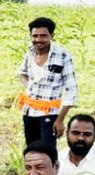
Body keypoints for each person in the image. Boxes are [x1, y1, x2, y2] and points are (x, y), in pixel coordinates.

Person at [17, 17, 78, 147]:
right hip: (29, 112)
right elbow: (21, 72)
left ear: (52, 35)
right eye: (35, 36)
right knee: (32, 150)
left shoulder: (62, 55)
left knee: (47, 153)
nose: (38, 40)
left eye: (43, 36)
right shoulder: (30, 53)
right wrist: (29, 87)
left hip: (50, 114)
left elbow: (72, 90)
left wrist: (60, 120)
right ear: (30, 36)